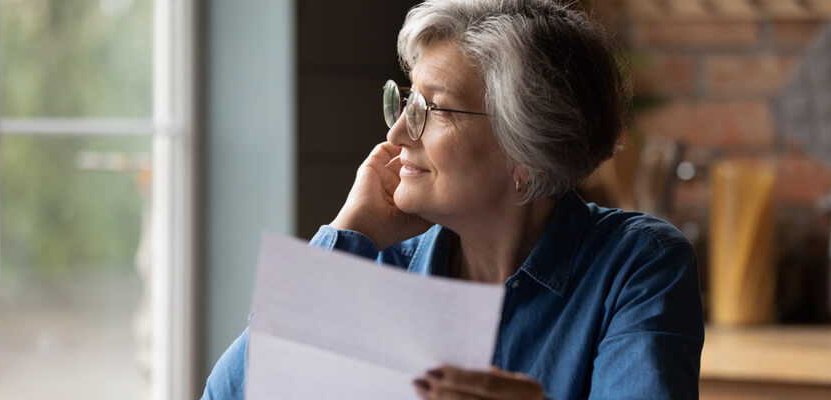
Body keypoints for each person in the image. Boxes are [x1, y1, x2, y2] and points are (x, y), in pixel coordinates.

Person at [202, 0, 704, 399]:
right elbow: (228, 395)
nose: (398, 132)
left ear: (525, 151)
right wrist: (348, 234)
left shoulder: (637, 265)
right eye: (405, 101)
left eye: (434, 109)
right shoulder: (375, 267)